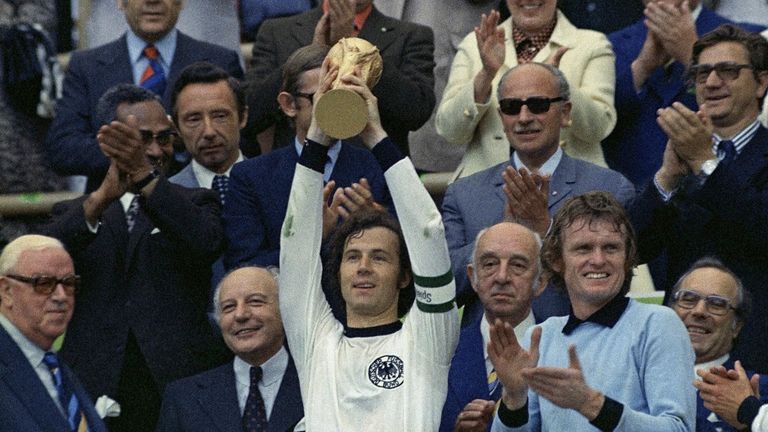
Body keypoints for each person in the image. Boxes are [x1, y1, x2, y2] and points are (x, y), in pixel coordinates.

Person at [279, 60, 459, 430]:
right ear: (338, 271)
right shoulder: (315, 341)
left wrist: (376, 135)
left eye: (379, 257)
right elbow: (295, 243)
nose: (363, 267)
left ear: (404, 277)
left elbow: (428, 231)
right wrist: (316, 139)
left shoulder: (427, 341)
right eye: (352, 257)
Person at [43, 84, 228, 432]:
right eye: (142, 140)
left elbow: (205, 243)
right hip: (94, 384)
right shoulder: (75, 212)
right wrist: (98, 202)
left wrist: (144, 177)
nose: (156, 150)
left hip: (176, 386)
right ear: (107, 142)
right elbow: (42, 259)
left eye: (164, 138)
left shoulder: (196, 201)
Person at [488, 191, 695, 432]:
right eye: (583, 248)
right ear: (556, 260)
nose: (598, 260)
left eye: (611, 248)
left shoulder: (658, 324)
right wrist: (514, 398)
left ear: (627, 258)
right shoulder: (540, 336)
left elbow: (678, 429)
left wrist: (589, 403)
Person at [442, 63, 635, 319]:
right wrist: (501, 233)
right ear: (502, 118)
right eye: (512, 107)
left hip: (578, 348)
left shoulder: (611, 188)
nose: (524, 118)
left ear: (565, 112)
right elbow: (442, 289)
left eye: (538, 105)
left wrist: (546, 229)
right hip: (489, 348)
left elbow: (617, 285)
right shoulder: (464, 193)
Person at [631, 24, 768, 373]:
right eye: (702, 72)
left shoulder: (696, 152)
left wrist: (706, 163)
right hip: (678, 353)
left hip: (757, 352)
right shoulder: (679, 152)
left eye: (728, 71)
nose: (711, 82)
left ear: (762, 83)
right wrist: (666, 179)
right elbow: (635, 248)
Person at [46, 0, 243, 192]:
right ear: (121, 2)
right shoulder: (86, 66)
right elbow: (63, 149)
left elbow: (243, 138)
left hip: (200, 206)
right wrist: (132, 149)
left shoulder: (220, 61)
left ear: (181, 2)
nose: (153, 1)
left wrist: (186, 138)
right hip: (114, 213)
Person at [224, 44, 391, 270]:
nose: (336, 105)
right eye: (321, 96)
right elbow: (244, 267)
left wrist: (376, 221)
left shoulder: (377, 165)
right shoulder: (251, 177)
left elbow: (410, 248)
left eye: (343, 94)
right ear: (289, 105)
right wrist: (311, 241)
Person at [436, 0, 616, 180]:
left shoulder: (592, 44)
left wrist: (556, 82)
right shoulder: (475, 44)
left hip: (572, 191)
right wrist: (486, 74)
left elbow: (599, 129)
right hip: (485, 186)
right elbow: (450, 132)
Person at [244, 0, 435, 156]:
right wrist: (312, 53)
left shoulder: (411, 35)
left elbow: (417, 112)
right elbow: (250, 114)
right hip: (297, 172)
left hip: (375, 177)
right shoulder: (278, 31)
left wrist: (354, 50)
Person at [604, 0, 764, 186]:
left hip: (726, 188)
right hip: (631, 190)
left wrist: (693, 56)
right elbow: (598, 126)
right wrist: (641, 68)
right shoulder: (609, 44)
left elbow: (755, 108)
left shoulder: (752, 37)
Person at [156, 266, 303, 432]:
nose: (240, 315)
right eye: (229, 307)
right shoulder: (183, 398)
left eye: (255, 301)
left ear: (285, 309)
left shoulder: (320, 383)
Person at [441, 223, 545, 432]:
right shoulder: (442, 351)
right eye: (489, 264)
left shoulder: (562, 350)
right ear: (473, 278)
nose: (502, 277)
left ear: (540, 281)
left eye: (517, 265)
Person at [0, 235, 107, 432]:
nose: (61, 296)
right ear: (6, 291)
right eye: (43, 283)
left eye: (68, 283)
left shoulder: (56, 366)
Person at [668, 257, 768, 431]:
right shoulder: (633, 381)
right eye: (688, 299)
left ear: (736, 326)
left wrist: (748, 418)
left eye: (717, 304)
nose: (699, 311)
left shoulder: (760, 390)